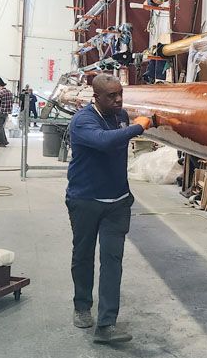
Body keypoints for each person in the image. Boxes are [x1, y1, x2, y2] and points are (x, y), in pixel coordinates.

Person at [65, 74, 151, 344]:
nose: (118, 99)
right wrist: (139, 127)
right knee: (83, 255)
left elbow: (123, 131)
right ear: (96, 97)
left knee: (112, 261)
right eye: (111, 96)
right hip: (86, 201)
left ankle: (106, 324)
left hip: (117, 202)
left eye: (120, 94)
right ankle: (81, 306)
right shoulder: (83, 121)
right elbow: (105, 141)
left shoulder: (121, 115)